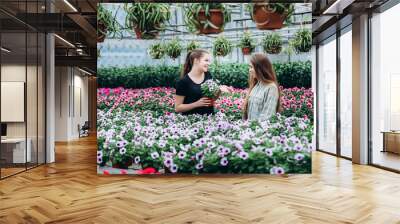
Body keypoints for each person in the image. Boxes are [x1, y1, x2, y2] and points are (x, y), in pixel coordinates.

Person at [175, 49, 232, 115]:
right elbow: (177, 108)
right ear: (196, 61)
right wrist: (196, 104)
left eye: (209, 61)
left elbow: (211, 100)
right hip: (192, 122)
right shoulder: (183, 82)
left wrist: (219, 90)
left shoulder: (208, 75)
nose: (209, 63)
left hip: (209, 119)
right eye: (206, 60)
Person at [242, 53, 282, 121]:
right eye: (249, 67)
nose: (250, 70)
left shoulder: (271, 88)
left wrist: (254, 128)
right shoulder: (256, 85)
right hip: (250, 129)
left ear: (260, 68)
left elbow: (267, 116)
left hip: (260, 130)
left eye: (252, 67)